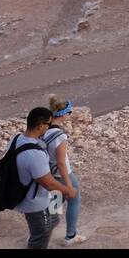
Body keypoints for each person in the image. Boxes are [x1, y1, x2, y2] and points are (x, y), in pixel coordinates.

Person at [8, 107, 78, 248]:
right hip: (35, 202)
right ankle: (60, 236)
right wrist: (67, 189)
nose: (49, 127)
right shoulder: (35, 153)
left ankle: (39, 234)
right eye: (48, 124)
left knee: (53, 219)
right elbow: (48, 183)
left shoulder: (16, 139)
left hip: (24, 194)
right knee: (42, 232)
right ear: (41, 126)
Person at [42, 95, 86, 246]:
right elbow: (61, 162)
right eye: (70, 112)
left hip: (50, 174)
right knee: (74, 200)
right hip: (63, 174)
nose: (70, 115)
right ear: (64, 114)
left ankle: (43, 235)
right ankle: (71, 235)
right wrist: (68, 185)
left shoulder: (44, 130)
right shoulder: (60, 135)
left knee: (54, 205)